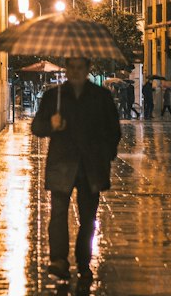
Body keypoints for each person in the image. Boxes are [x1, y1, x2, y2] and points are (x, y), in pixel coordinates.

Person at [31, 56, 121, 278]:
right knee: (58, 214)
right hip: (62, 164)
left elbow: (113, 131)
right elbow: (37, 126)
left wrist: (106, 156)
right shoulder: (55, 96)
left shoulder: (101, 97)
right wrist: (50, 125)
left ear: (88, 69)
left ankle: (83, 261)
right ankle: (59, 260)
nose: (75, 72)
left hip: (91, 166)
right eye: (71, 67)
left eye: (80, 67)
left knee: (88, 218)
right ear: (67, 68)